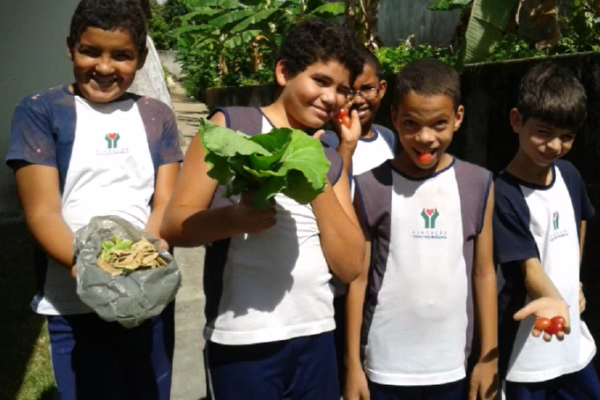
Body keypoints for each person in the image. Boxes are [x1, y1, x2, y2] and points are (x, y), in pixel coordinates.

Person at [160, 18, 365, 400]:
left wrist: (313, 174)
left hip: (317, 334)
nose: (332, 98)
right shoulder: (231, 128)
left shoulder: (328, 157)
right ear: (284, 71)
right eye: (321, 81)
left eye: (342, 90)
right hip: (241, 338)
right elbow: (174, 224)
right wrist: (233, 219)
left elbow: (351, 264)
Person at [5, 0, 182, 398]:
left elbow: (163, 204)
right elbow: (42, 211)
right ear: (71, 47)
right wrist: (94, 269)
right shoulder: (41, 112)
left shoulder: (157, 116)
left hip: (146, 298)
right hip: (75, 303)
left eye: (121, 55)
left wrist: (138, 264)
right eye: (90, 51)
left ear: (140, 57)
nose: (104, 67)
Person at [345, 59, 498, 400]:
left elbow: (484, 274)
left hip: (451, 365)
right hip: (384, 365)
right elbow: (358, 278)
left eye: (439, 124)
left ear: (458, 118)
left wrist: (489, 357)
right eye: (411, 124)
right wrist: (353, 364)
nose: (425, 138)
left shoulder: (478, 183)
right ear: (395, 118)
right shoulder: (370, 186)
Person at [494, 61, 600, 399]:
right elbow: (529, 267)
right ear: (516, 121)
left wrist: (574, 280)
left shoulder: (569, 174)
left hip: (573, 348)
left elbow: (579, 220)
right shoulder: (502, 193)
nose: (554, 146)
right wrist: (554, 297)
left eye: (566, 137)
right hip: (527, 352)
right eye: (543, 132)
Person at [320, 46, 396, 390]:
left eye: (367, 88)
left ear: (381, 90)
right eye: (350, 90)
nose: (359, 99)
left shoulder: (392, 140)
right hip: (339, 285)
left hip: (381, 282)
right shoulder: (326, 142)